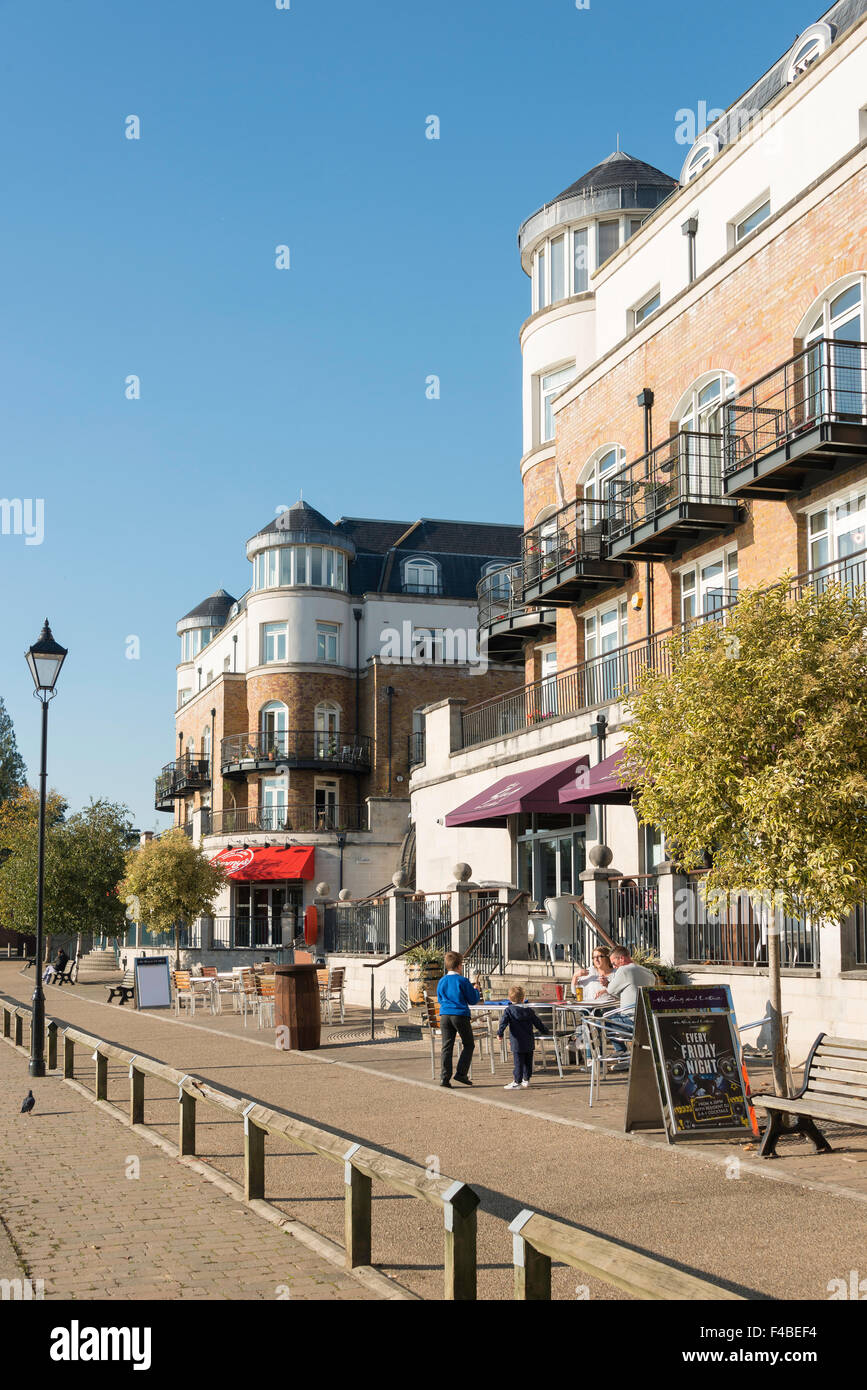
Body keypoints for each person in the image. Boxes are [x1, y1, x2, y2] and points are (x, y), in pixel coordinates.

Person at [595, 944, 655, 1057]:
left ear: (622, 959)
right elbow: (630, 992)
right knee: (610, 1018)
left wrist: (606, 983)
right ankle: (622, 1055)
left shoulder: (624, 970)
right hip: (647, 1021)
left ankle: (618, 1054)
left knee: (599, 1022)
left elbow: (611, 990)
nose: (614, 967)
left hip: (631, 1021)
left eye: (613, 963)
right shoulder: (648, 971)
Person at [436, 951, 480, 1088]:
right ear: (459, 966)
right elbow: (473, 1000)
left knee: (447, 1047)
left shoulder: (442, 980)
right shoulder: (462, 980)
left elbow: (439, 998)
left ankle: (444, 1078)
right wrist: (476, 990)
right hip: (459, 1015)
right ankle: (461, 1073)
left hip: (444, 1015)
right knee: (469, 1044)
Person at [497, 984, 549, 1090]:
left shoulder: (509, 1010)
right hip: (529, 1040)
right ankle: (526, 1079)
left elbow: (503, 1023)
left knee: (518, 1062)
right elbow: (537, 1022)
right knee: (528, 1062)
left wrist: (499, 1033)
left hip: (516, 1041)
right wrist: (545, 1031)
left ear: (509, 998)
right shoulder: (529, 1011)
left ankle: (517, 1081)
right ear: (523, 998)